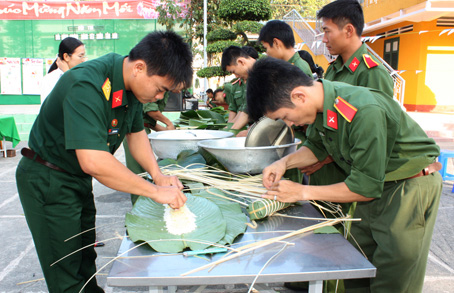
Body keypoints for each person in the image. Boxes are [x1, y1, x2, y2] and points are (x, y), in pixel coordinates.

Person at [246, 57, 442, 293]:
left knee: (393, 277)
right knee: (355, 267)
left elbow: (365, 187)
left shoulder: (363, 110)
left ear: (299, 96)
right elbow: (318, 148)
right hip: (371, 188)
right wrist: (284, 163)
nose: (290, 123)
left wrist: (302, 191)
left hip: (407, 188)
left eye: (286, 117)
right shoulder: (323, 106)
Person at [16, 31, 192, 293]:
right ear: (139, 67)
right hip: (48, 178)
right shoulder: (87, 84)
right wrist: (155, 192)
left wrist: (158, 174)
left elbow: (136, 133)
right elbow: (94, 162)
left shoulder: (129, 85)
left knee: (85, 256)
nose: (158, 98)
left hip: (74, 178)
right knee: (66, 269)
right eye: (160, 89)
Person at [302, 0, 395, 186]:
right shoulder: (334, 69)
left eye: (327, 31)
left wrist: (324, 158)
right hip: (322, 172)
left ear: (349, 30)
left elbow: (376, 136)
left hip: (347, 179)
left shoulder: (371, 72)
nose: (324, 39)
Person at [124, 92, 175, 205]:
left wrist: (168, 132)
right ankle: (139, 208)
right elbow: (150, 111)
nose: (159, 96)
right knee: (138, 173)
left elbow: (148, 122)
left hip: (141, 129)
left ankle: (143, 205)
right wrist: (168, 122)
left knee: (144, 171)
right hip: (135, 132)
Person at [221, 45, 258, 132]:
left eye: (234, 71)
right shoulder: (252, 77)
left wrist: (229, 133)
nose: (236, 76)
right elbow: (244, 110)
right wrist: (229, 129)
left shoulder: (263, 72)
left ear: (241, 62)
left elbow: (247, 114)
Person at [41, 37, 86, 103]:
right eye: (80, 56)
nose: (83, 60)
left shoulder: (82, 75)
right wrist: (67, 74)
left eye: (84, 56)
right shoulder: (50, 80)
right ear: (66, 57)